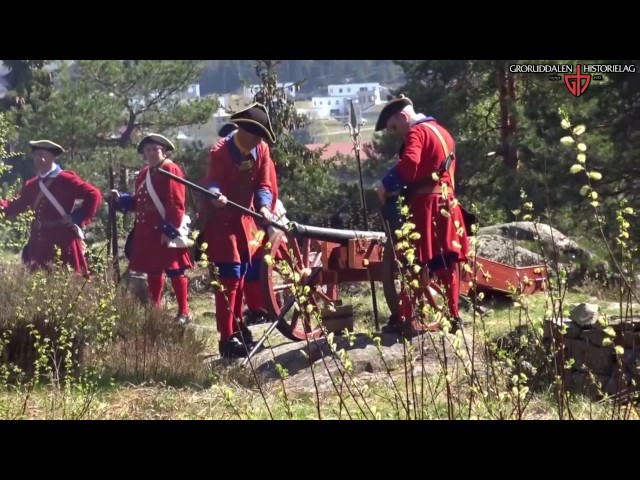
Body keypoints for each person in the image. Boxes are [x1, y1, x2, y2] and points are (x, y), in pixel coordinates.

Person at [374, 95, 469, 335]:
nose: (397, 133)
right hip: (447, 201)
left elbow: (409, 165)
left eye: (395, 127)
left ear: (404, 117)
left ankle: (408, 318)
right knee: (447, 262)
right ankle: (453, 315)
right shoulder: (443, 133)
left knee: (412, 261)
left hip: (426, 204)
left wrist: (385, 184)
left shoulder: (416, 133)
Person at [202, 103, 276, 358]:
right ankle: (226, 338)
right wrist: (216, 195)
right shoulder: (220, 152)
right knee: (229, 278)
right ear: (241, 131)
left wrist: (265, 207)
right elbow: (211, 182)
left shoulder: (262, 149)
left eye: (260, 136)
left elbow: (264, 184)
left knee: (243, 275)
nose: (258, 140)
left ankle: (238, 326)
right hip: (221, 223)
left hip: (246, 222)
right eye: (254, 134)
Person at [110, 133, 194, 325]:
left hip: (163, 228)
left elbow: (176, 203)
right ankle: (156, 310)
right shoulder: (143, 174)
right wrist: (120, 199)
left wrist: (169, 230)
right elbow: (137, 202)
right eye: (147, 150)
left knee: (175, 271)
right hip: (147, 231)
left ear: (163, 150)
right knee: (153, 272)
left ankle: (184, 312)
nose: (150, 153)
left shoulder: (170, 169)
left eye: (154, 149)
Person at [215, 121, 284, 326]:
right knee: (242, 269)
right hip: (242, 218)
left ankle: (260, 309)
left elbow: (268, 188)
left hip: (256, 217)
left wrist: (262, 212)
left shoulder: (261, 157)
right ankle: (250, 312)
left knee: (254, 267)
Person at [0, 139, 102, 276]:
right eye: (36, 154)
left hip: (63, 239)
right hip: (39, 242)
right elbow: (16, 204)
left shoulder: (66, 179)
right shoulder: (32, 185)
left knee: (68, 281)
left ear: (52, 157)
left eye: (42, 154)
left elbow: (94, 194)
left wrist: (76, 218)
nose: (38, 158)